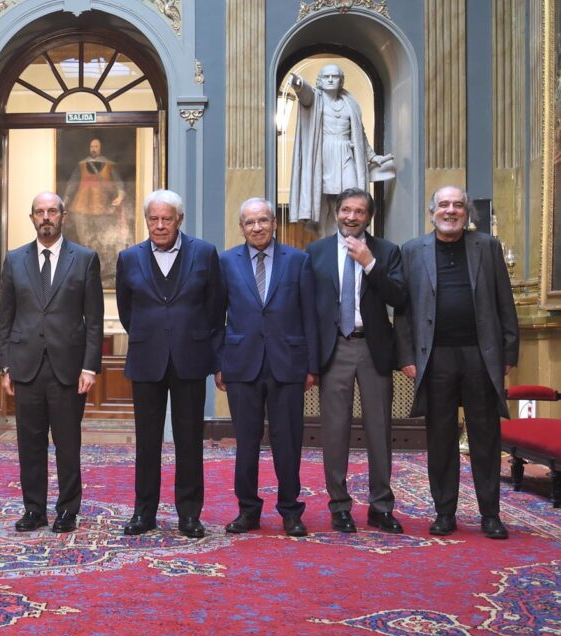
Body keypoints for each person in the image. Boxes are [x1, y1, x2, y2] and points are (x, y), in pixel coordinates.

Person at [395, 186, 519, 540]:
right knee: (441, 437)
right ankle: (444, 512)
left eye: (458, 205)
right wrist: (405, 356)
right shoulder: (412, 250)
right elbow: (402, 311)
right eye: (444, 205)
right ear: (432, 211)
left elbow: (503, 302)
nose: (451, 211)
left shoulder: (488, 247)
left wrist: (509, 352)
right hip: (434, 358)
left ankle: (490, 514)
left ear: (467, 213)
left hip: (481, 355)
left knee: (485, 436)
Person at [115, 189, 223, 538]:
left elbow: (214, 308)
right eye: (153, 219)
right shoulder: (129, 258)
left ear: (179, 219)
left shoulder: (204, 253)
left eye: (166, 218)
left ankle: (189, 515)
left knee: (189, 440)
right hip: (147, 359)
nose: (159, 225)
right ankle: (143, 513)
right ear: (146, 220)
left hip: (190, 359)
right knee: (147, 443)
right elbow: (126, 310)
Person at [0, 191, 104, 533]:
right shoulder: (14, 260)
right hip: (26, 366)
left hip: (69, 370)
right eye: (40, 212)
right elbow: (6, 318)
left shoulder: (85, 259)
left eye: (52, 211)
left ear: (64, 216)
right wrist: (5, 366)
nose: (46, 217)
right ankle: (34, 510)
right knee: (29, 444)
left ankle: (67, 509)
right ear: (32, 218)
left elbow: (94, 320)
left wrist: (90, 366)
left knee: (67, 443)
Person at [306, 188, 407, 534]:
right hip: (335, 348)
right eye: (346, 210)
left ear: (369, 217)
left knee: (379, 429)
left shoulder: (387, 252)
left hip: (373, 348)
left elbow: (399, 297)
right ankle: (340, 507)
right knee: (334, 432)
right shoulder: (316, 252)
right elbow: (308, 308)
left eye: (359, 212)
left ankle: (381, 506)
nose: (351, 217)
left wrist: (370, 264)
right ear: (336, 212)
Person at [216, 197, 319, 537]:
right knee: (246, 442)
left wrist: (312, 366)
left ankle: (291, 511)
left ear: (274, 222)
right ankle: (248, 511)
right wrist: (219, 362)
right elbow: (216, 315)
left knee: (287, 441)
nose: (257, 227)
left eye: (262, 220)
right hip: (241, 364)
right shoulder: (227, 261)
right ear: (241, 227)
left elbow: (310, 316)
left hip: (287, 364)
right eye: (249, 222)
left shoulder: (299, 261)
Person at [287, 64, 394, 231]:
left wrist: (372, 156)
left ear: (341, 81)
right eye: (326, 76)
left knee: (353, 194)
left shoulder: (350, 103)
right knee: (323, 200)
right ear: (319, 81)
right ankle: (324, 237)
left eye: (335, 76)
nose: (330, 80)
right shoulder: (315, 99)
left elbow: (359, 134)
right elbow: (305, 94)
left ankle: (350, 234)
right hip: (323, 155)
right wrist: (299, 84)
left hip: (346, 153)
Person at [63, 137, 131, 284]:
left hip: (103, 209)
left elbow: (119, 183)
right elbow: (72, 185)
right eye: (92, 146)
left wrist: (120, 196)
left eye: (96, 146)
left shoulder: (109, 165)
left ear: (100, 148)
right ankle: (86, 271)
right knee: (85, 241)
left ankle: (103, 270)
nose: (94, 148)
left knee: (101, 241)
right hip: (82, 207)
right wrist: (65, 201)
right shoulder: (81, 165)